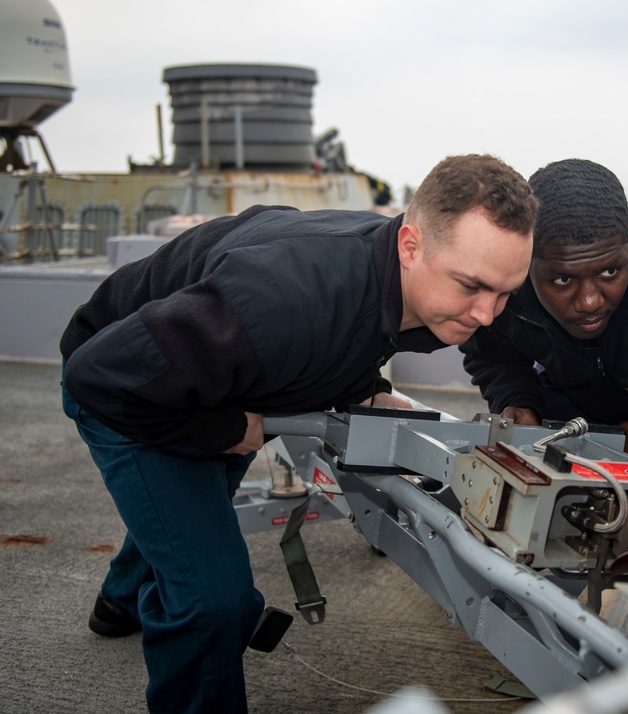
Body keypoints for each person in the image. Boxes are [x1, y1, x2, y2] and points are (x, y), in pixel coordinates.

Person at [60, 153, 538, 713]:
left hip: (226, 374)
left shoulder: (398, 279)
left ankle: (119, 605)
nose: (488, 314)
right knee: (212, 600)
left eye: (506, 293)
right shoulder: (285, 299)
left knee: (186, 519)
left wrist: (362, 388)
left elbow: (354, 331)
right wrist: (226, 428)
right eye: (473, 287)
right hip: (136, 391)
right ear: (411, 246)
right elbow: (96, 376)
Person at [460, 158, 628, 463]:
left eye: (609, 272)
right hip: (575, 396)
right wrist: (517, 400)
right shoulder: (508, 283)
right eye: (563, 279)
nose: (589, 302)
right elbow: (491, 353)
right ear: (529, 262)